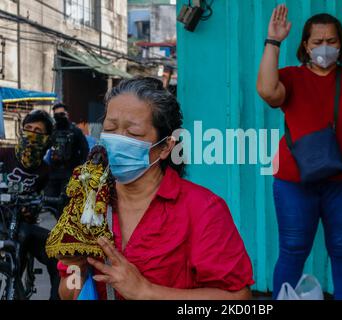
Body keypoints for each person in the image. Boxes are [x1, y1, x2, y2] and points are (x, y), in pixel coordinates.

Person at [57, 77, 255, 300]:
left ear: (165, 147)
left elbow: (239, 298)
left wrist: (146, 291)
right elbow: (68, 291)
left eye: (133, 134)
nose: (118, 141)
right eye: (110, 129)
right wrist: (77, 268)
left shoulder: (203, 209)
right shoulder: (90, 205)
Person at [257, 4, 342, 300]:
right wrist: (273, 42)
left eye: (331, 41)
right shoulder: (291, 77)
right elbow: (268, 91)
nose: (324, 47)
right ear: (306, 46)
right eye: (317, 42)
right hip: (294, 181)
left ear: (341, 45)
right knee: (293, 249)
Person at [0, 110, 60, 300]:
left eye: (38, 131)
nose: (32, 134)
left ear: (47, 140)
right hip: (2, 224)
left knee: (59, 252)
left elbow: (40, 200)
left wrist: (31, 209)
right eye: (28, 129)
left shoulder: (45, 170)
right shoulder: (4, 154)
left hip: (22, 225)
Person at [45, 104, 89, 218]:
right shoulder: (52, 131)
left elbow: (85, 150)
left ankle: (65, 226)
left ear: (67, 114)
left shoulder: (75, 131)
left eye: (61, 114)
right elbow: (44, 147)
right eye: (56, 115)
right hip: (53, 173)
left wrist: (82, 170)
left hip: (70, 173)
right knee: (49, 201)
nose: (59, 117)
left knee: (66, 203)